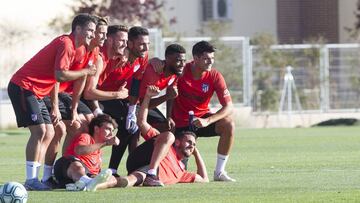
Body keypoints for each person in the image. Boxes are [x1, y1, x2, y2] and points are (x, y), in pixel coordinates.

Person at [7, 13, 97, 190]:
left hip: (39, 92)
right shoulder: (66, 43)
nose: (93, 35)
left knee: (50, 132)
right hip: (23, 86)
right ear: (78, 28)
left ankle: (41, 179)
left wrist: (55, 106)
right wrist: (86, 71)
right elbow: (60, 75)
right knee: (40, 131)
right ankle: (31, 180)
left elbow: (55, 78)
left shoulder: (79, 49)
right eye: (90, 30)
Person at [41, 16, 110, 188]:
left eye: (103, 33)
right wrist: (55, 106)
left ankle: (72, 171)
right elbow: (55, 77)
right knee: (58, 129)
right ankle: (49, 175)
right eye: (99, 33)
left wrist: (73, 110)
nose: (102, 36)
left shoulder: (93, 53)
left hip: (67, 95)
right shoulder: (71, 45)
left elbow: (80, 80)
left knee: (84, 124)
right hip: (50, 91)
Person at [171, 41, 236, 182]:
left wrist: (208, 120)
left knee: (228, 124)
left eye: (212, 59)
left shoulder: (214, 76)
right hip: (181, 124)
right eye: (206, 59)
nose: (210, 62)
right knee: (178, 173)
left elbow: (229, 106)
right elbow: (169, 92)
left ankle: (219, 172)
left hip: (201, 121)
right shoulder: (181, 71)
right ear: (195, 58)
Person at [121, 86, 208, 186]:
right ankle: (151, 174)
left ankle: (114, 181)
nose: (192, 145)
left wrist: (196, 153)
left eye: (194, 144)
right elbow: (141, 122)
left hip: (144, 170)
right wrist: (148, 97)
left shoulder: (181, 172)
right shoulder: (165, 144)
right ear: (177, 142)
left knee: (133, 179)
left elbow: (204, 179)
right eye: (189, 142)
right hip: (140, 159)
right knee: (169, 136)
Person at [97, 26, 151, 176]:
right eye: (142, 44)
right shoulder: (115, 57)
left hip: (119, 96)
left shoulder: (143, 57)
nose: (146, 48)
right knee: (123, 121)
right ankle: (99, 168)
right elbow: (92, 89)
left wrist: (132, 111)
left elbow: (136, 83)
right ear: (130, 44)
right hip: (99, 96)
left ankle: (132, 169)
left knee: (133, 124)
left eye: (148, 44)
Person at [53, 114, 126, 191]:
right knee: (77, 165)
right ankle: (88, 182)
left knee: (112, 179)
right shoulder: (86, 137)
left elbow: (94, 173)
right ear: (96, 129)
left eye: (112, 130)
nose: (111, 134)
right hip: (66, 168)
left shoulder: (99, 151)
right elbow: (79, 151)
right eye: (108, 129)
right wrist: (106, 143)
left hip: (81, 177)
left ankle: (85, 185)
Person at [137, 43, 186, 132]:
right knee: (135, 129)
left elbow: (171, 94)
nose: (182, 64)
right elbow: (142, 104)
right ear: (167, 59)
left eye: (184, 61)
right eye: (179, 60)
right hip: (131, 104)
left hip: (144, 105)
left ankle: (158, 146)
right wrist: (166, 97)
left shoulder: (175, 73)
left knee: (168, 126)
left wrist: (168, 117)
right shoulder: (153, 72)